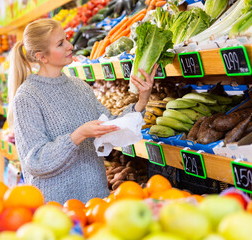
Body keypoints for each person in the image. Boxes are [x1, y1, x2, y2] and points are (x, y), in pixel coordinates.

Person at [8, 19, 157, 204]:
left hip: (95, 201)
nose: (70, 46)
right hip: (57, 209)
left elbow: (111, 125)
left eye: (67, 39)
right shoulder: (27, 97)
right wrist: (77, 136)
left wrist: (142, 100)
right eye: (60, 43)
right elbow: (35, 162)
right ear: (42, 57)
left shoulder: (79, 86)